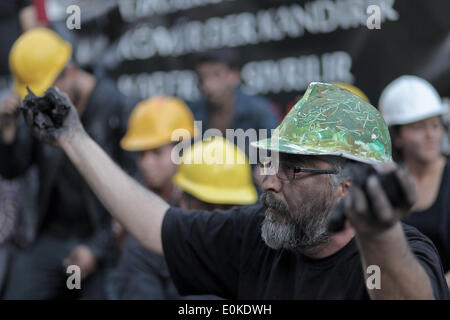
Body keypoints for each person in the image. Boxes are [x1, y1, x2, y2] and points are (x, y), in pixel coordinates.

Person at [23, 82, 450, 299]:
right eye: (269, 162)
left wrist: (380, 235)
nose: (268, 180)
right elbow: (156, 225)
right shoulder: (260, 235)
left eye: (293, 170)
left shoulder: (402, 252)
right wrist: (72, 137)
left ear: (347, 186)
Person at [0, 27, 138, 299]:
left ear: (71, 70)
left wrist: (97, 248)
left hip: (101, 237)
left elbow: (137, 189)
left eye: (48, 90)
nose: (43, 100)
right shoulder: (43, 107)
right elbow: (14, 169)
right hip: (52, 238)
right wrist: (7, 133)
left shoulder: (118, 108)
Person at [109, 136, 257, 299]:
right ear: (182, 201)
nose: (220, 218)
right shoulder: (146, 246)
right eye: (208, 207)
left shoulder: (262, 249)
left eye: (230, 208)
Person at [379, 75, 450, 287]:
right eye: (419, 127)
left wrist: (433, 292)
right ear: (397, 136)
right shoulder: (385, 183)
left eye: (436, 125)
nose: (431, 135)